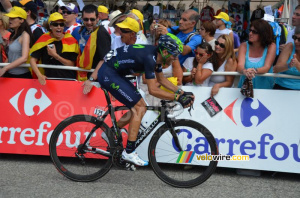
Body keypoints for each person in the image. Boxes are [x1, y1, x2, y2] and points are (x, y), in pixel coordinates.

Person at [97, 33, 194, 166]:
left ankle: (110, 132)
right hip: (109, 73)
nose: (175, 58)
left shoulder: (157, 56)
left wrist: (182, 92)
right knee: (140, 107)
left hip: (115, 71)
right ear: (165, 52)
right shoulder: (150, 58)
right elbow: (153, 90)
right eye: (174, 54)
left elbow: (162, 80)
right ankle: (129, 152)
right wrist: (178, 98)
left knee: (138, 106)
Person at [29, 12, 79, 85]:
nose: (59, 27)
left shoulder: (70, 40)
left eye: (61, 24)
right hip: (48, 81)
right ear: (50, 26)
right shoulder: (44, 39)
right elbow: (32, 60)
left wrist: (55, 56)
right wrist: (39, 75)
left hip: (67, 81)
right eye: (55, 24)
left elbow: (71, 64)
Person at [72, 4, 111, 81]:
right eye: (86, 19)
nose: (89, 22)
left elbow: (106, 58)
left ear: (97, 18)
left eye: (92, 19)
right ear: (82, 19)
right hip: (82, 76)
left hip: (95, 79)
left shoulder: (101, 32)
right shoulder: (80, 31)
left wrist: (91, 79)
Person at [237, 19, 276, 89]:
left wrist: (253, 71)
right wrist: (244, 71)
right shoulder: (244, 45)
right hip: (245, 88)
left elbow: (266, 67)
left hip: (265, 88)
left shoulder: (271, 46)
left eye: (254, 32)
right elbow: (240, 65)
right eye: (250, 30)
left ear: (263, 34)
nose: (250, 33)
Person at [0, 6, 33, 78]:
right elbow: (10, 57)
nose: (10, 20)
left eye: (13, 18)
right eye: (9, 18)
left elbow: (24, 58)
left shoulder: (25, 35)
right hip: (10, 74)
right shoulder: (12, 35)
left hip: (22, 76)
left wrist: (5, 68)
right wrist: (3, 69)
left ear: (22, 20)